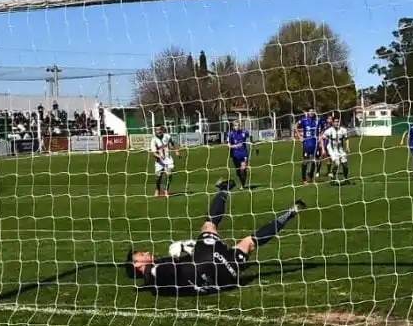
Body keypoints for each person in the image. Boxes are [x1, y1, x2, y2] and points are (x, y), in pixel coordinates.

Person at [121, 180, 307, 295]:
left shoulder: (154, 275)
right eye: (140, 254)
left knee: (249, 243)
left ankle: (291, 212)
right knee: (209, 224)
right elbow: (167, 273)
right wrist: (189, 247)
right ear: (137, 264)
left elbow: (172, 275)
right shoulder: (154, 273)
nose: (145, 252)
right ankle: (225, 190)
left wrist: (186, 251)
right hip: (205, 260)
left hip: (225, 276)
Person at [150, 125, 182, 197]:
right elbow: (154, 153)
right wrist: (159, 156)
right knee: (158, 177)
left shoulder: (167, 136)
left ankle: (166, 190)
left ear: (162, 130)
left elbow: (172, 143)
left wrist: (176, 151)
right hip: (159, 162)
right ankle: (157, 189)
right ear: (155, 131)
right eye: (157, 130)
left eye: (160, 130)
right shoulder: (153, 140)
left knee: (169, 174)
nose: (159, 131)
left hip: (168, 160)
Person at [226, 120, 252, 189]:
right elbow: (228, 145)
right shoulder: (230, 134)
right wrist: (235, 146)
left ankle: (243, 184)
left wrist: (252, 144)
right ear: (233, 126)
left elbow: (250, 137)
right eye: (235, 125)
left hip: (244, 153)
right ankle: (242, 183)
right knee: (238, 172)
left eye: (238, 125)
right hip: (235, 155)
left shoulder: (244, 132)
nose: (237, 127)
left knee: (243, 169)